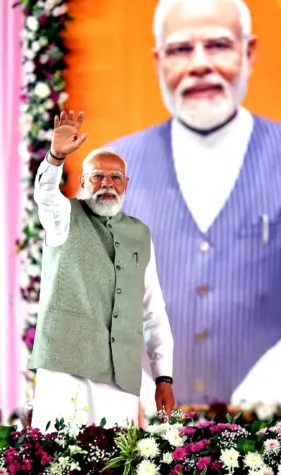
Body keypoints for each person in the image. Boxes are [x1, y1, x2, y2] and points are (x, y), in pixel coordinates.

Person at [110, 0, 281, 408]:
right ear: (158, 61)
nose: (200, 64)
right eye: (181, 49)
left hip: (276, 433)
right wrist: (148, 407)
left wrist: (247, 419)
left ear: (248, 52)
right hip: (141, 432)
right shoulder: (111, 169)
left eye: (218, 45)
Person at [29, 111, 175, 429]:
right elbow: (45, 196)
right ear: (83, 181)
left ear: (126, 184)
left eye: (115, 177)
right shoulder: (63, 216)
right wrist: (55, 158)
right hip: (65, 369)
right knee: (61, 452)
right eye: (97, 176)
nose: (107, 184)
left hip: (119, 374)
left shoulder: (140, 234)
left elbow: (153, 310)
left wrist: (163, 376)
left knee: (116, 453)